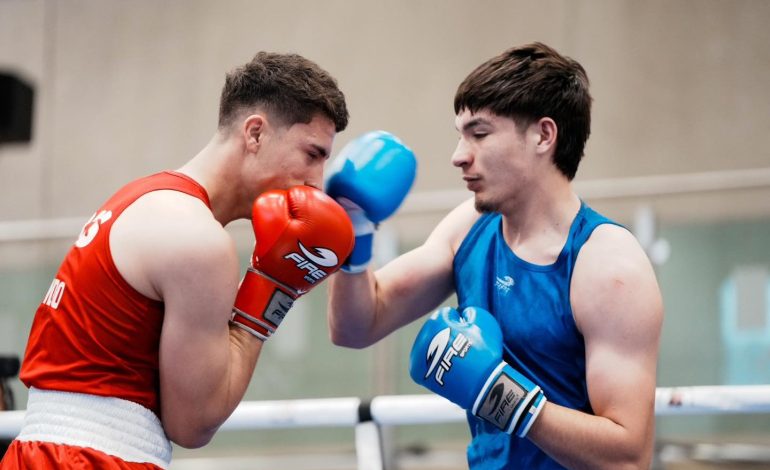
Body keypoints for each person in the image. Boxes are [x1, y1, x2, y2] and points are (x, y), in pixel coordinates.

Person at [0, 51, 354, 470]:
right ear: (255, 133)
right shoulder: (197, 239)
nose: (318, 181)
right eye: (312, 154)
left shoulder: (143, 198)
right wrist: (273, 290)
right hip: (92, 460)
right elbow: (193, 424)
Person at [326, 42, 664, 469]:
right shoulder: (468, 227)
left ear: (544, 135)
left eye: (480, 134)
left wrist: (501, 396)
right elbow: (357, 325)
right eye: (460, 135)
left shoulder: (607, 264)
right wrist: (353, 231)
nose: (458, 156)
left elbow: (629, 457)